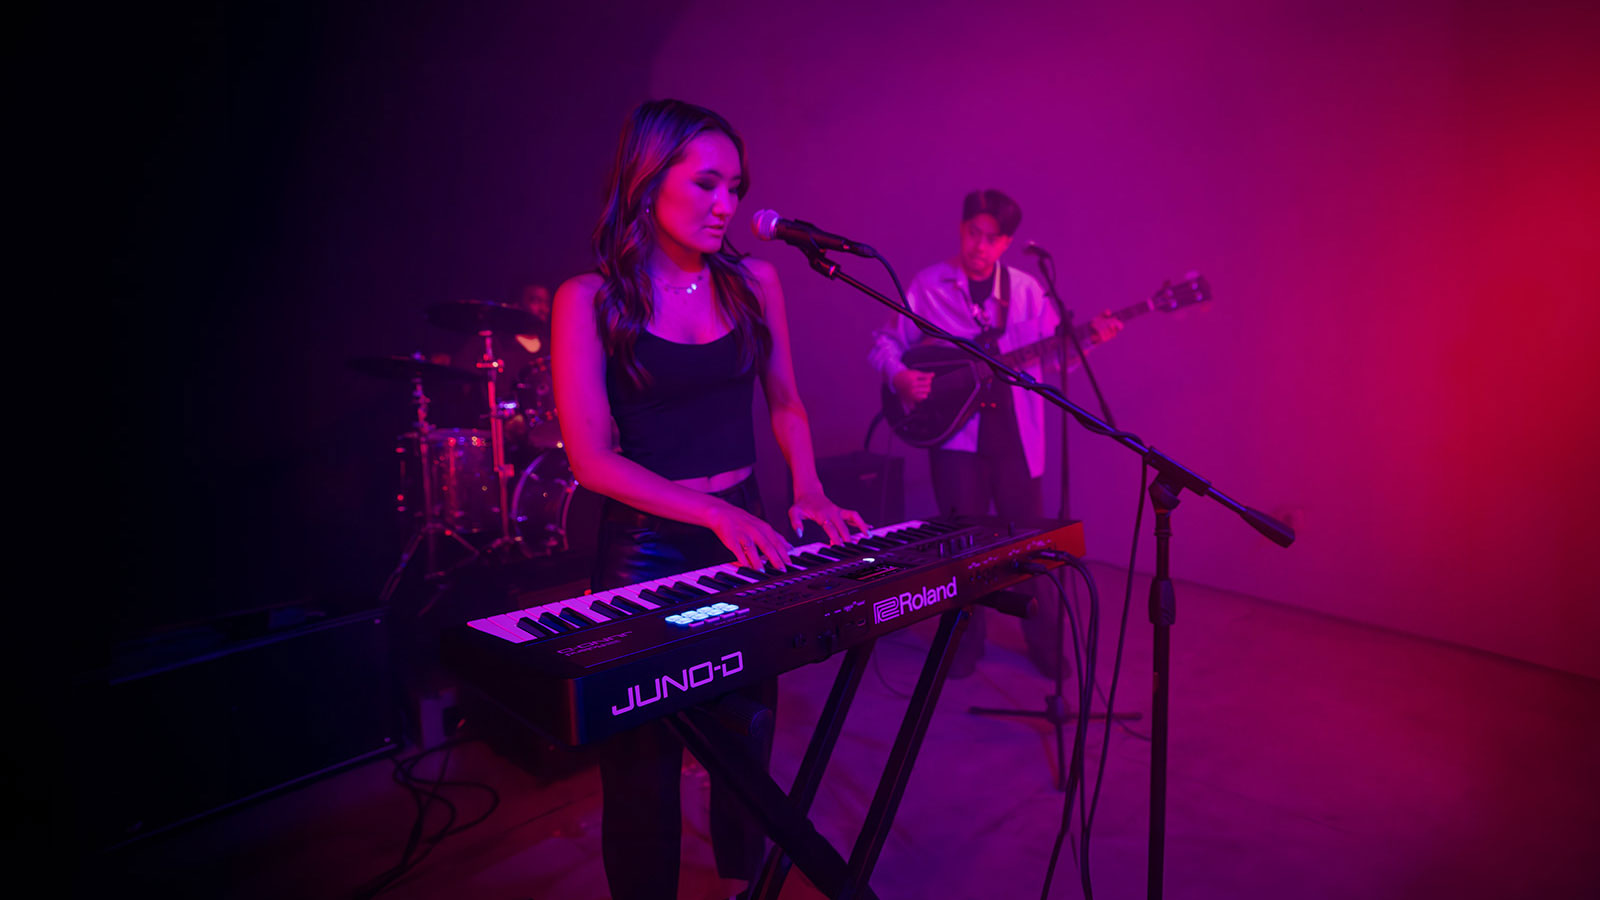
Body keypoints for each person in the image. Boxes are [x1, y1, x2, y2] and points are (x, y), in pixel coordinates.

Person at [550, 98, 866, 900]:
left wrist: (809, 488)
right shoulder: (588, 299)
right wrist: (715, 513)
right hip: (646, 548)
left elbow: (785, 402)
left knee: (744, 735)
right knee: (643, 759)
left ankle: (736, 883)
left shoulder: (756, 280)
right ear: (648, 179)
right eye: (708, 184)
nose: (727, 204)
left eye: (737, 187)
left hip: (747, 533)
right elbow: (591, 459)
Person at [868, 189, 1121, 679]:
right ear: (961, 229)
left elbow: (1057, 357)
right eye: (972, 233)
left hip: (1016, 439)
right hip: (955, 441)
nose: (979, 246)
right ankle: (962, 646)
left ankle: (1046, 644)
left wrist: (1091, 338)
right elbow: (885, 342)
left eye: (991, 238)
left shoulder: (1027, 290)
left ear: (1006, 243)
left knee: (1032, 547)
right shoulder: (928, 285)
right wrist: (899, 376)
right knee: (961, 548)